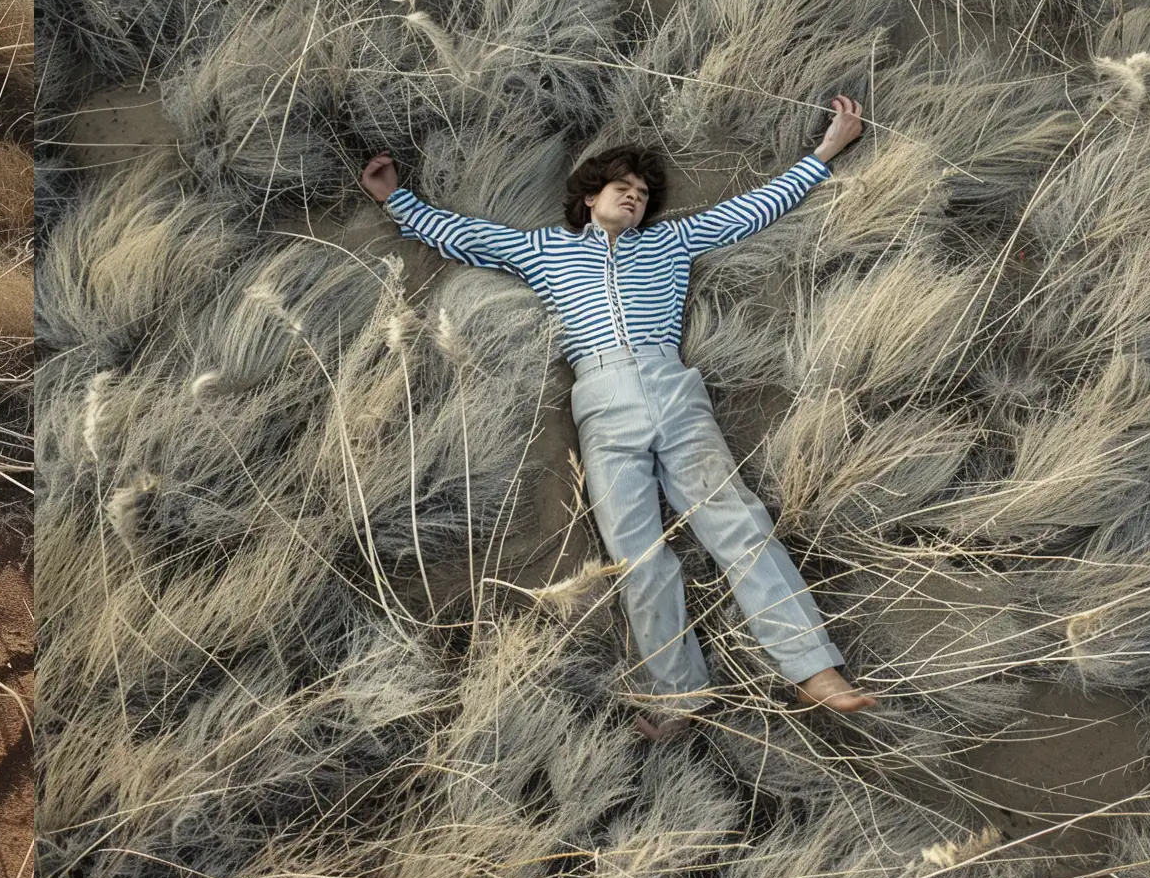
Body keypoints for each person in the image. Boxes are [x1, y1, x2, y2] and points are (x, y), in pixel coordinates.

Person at [359, 99, 877, 741]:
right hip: (601, 402)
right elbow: (465, 236)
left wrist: (826, 152)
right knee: (637, 555)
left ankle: (815, 670)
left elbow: (753, 209)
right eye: (621, 188)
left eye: (640, 193)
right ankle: (679, 696)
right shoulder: (542, 250)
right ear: (590, 197)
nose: (633, 198)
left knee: (737, 526)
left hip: (671, 387)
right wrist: (394, 199)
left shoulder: (670, 240)